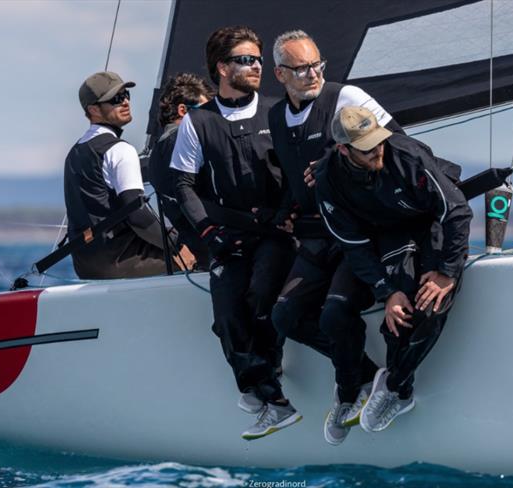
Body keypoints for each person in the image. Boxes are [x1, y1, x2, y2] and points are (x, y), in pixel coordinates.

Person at [267, 30, 401, 445]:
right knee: (285, 315)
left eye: (317, 64)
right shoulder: (275, 117)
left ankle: (350, 393)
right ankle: (363, 374)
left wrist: (334, 159)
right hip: (313, 237)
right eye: (302, 68)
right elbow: (292, 176)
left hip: (354, 233)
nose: (313, 74)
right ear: (280, 74)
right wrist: (284, 210)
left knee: (335, 314)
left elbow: (397, 146)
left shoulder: (347, 97)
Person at [169, 26, 298, 440]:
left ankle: (261, 382)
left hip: (278, 232)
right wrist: (209, 232)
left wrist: (287, 213)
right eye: (246, 59)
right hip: (229, 234)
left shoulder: (280, 112)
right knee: (226, 313)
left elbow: (301, 174)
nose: (257, 65)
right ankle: (272, 398)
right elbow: (183, 185)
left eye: (258, 58)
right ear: (222, 68)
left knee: (260, 295)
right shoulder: (198, 122)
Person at [314, 106, 472, 433]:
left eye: (379, 142)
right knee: (356, 312)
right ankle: (358, 387)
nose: (377, 151)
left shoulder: (405, 155)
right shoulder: (329, 178)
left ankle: (397, 388)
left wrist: (448, 272)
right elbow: (352, 243)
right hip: (384, 234)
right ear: (343, 149)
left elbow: (456, 212)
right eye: (367, 148)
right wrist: (387, 291)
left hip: (430, 222)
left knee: (431, 302)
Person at [64, 71, 195, 280]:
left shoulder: (75, 152)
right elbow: (138, 215)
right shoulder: (120, 150)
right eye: (115, 99)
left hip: (86, 265)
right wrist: (179, 244)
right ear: (93, 110)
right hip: (122, 261)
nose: (125, 102)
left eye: (126, 95)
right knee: (199, 255)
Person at [148, 73, 215, 268]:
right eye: (205, 111)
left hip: (201, 252)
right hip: (218, 250)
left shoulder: (157, 151)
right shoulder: (180, 141)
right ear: (183, 110)